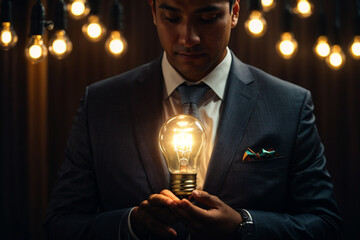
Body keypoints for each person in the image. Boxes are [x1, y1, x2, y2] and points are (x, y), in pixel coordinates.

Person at [44, 0, 342, 239]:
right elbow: (60, 225)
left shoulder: (289, 105)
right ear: (153, 12)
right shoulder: (102, 103)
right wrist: (132, 224)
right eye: (172, 18)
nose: (189, 38)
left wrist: (244, 226)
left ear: (234, 12)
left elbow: (325, 223)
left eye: (208, 18)